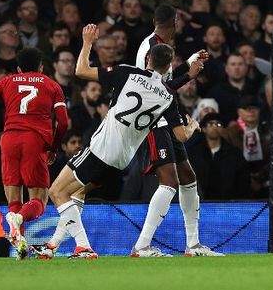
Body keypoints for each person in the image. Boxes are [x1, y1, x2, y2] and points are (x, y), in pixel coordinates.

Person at [37, 24, 199, 259]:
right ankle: (52, 245)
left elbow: (82, 71)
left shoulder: (128, 73)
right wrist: (192, 126)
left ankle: (83, 247)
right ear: (169, 67)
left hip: (101, 149)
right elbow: (181, 136)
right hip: (122, 160)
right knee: (78, 194)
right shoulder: (167, 97)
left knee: (56, 192)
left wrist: (87, 42)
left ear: (147, 59)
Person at [132, 4, 222, 257]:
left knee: (188, 177)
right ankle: (141, 246)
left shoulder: (156, 45)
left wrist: (190, 63)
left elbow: (163, 81)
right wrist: (190, 76)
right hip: (154, 119)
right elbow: (154, 90)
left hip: (165, 117)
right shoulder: (151, 47)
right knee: (169, 182)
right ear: (175, 23)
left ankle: (193, 245)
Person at [0, 47, 68, 259]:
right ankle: (19, 219)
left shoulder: (6, 81)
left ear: (19, 68)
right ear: (41, 67)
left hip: (9, 139)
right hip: (34, 141)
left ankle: (20, 246)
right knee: (38, 202)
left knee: (14, 199)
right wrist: (53, 147)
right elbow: (64, 122)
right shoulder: (52, 85)